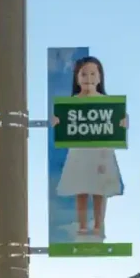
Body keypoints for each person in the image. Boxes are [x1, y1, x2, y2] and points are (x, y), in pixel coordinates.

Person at [51, 56, 127, 237]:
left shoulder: (107, 102)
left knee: (100, 189)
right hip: (79, 151)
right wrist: (57, 123)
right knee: (81, 188)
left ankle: (98, 225)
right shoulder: (71, 103)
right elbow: (63, 125)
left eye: (93, 74)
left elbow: (116, 124)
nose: (88, 78)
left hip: (100, 152)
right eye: (84, 74)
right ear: (77, 77)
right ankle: (83, 224)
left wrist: (123, 123)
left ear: (100, 77)